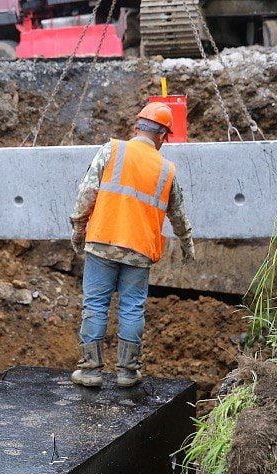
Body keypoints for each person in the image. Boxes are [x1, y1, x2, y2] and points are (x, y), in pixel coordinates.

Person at [69, 102, 196, 388]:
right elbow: (178, 214)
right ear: (163, 137)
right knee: (131, 308)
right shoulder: (166, 169)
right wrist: (187, 243)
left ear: (136, 127)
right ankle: (127, 372)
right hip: (139, 249)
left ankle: (90, 370)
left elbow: (86, 193)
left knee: (96, 304)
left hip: (102, 241)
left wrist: (78, 228)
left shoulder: (111, 150)